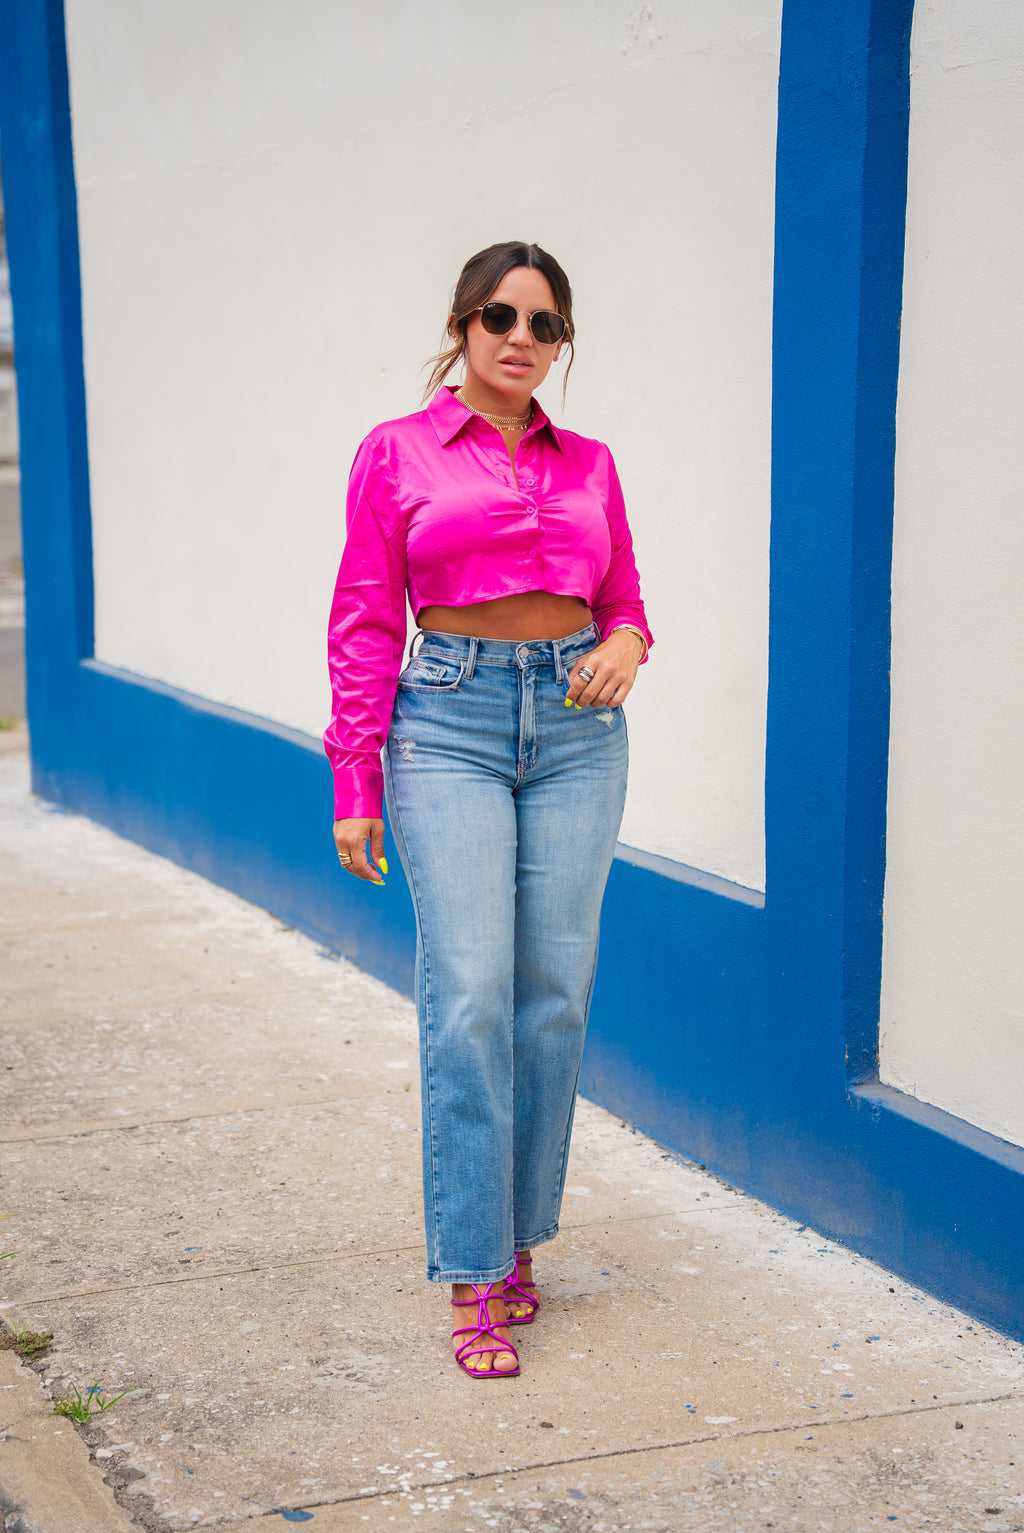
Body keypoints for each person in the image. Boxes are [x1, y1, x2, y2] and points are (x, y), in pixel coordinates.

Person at [325, 241, 652, 1379]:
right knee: (467, 993)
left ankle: (519, 1244)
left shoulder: (593, 463)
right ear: (463, 324)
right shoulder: (397, 451)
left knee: (551, 999)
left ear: (562, 343)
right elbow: (366, 619)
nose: (522, 340)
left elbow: (622, 600)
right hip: (449, 726)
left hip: (575, 734)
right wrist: (353, 777)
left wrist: (623, 642)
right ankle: (470, 1270)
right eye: (502, 317)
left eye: (545, 325)